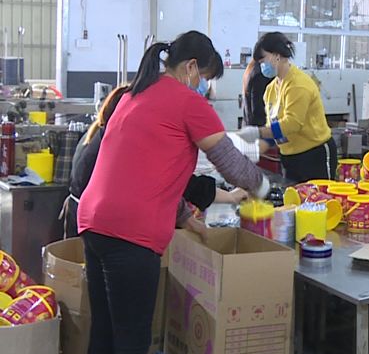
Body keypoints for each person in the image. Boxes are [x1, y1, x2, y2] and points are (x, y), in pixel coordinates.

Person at [77, 31, 269, 354]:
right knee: (131, 349)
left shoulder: (134, 95)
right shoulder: (187, 102)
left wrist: (185, 219)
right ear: (191, 67)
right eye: (205, 78)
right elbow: (229, 162)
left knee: (104, 333)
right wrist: (262, 188)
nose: (204, 88)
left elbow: (148, 173)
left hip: (94, 222)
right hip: (130, 234)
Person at [65, 85, 249, 239]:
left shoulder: (98, 134)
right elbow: (174, 183)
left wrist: (187, 217)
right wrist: (230, 197)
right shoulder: (121, 144)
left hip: (86, 220)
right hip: (101, 225)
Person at [239, 32, 337, 183]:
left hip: (315, 155)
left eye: (263, 60)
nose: (262, 66)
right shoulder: (271, 89)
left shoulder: (298, 85)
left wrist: (257, 132)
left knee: (320, 196)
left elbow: (292, 124)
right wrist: (255, 150)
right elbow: (274, 128)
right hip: (289, 158)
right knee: (292, 197)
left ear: (277, 56)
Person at [242, 58, 271, 127]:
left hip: (251, 124)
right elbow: (257, 109)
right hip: (259, 127)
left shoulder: (253, 67)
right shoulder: (261, 74)